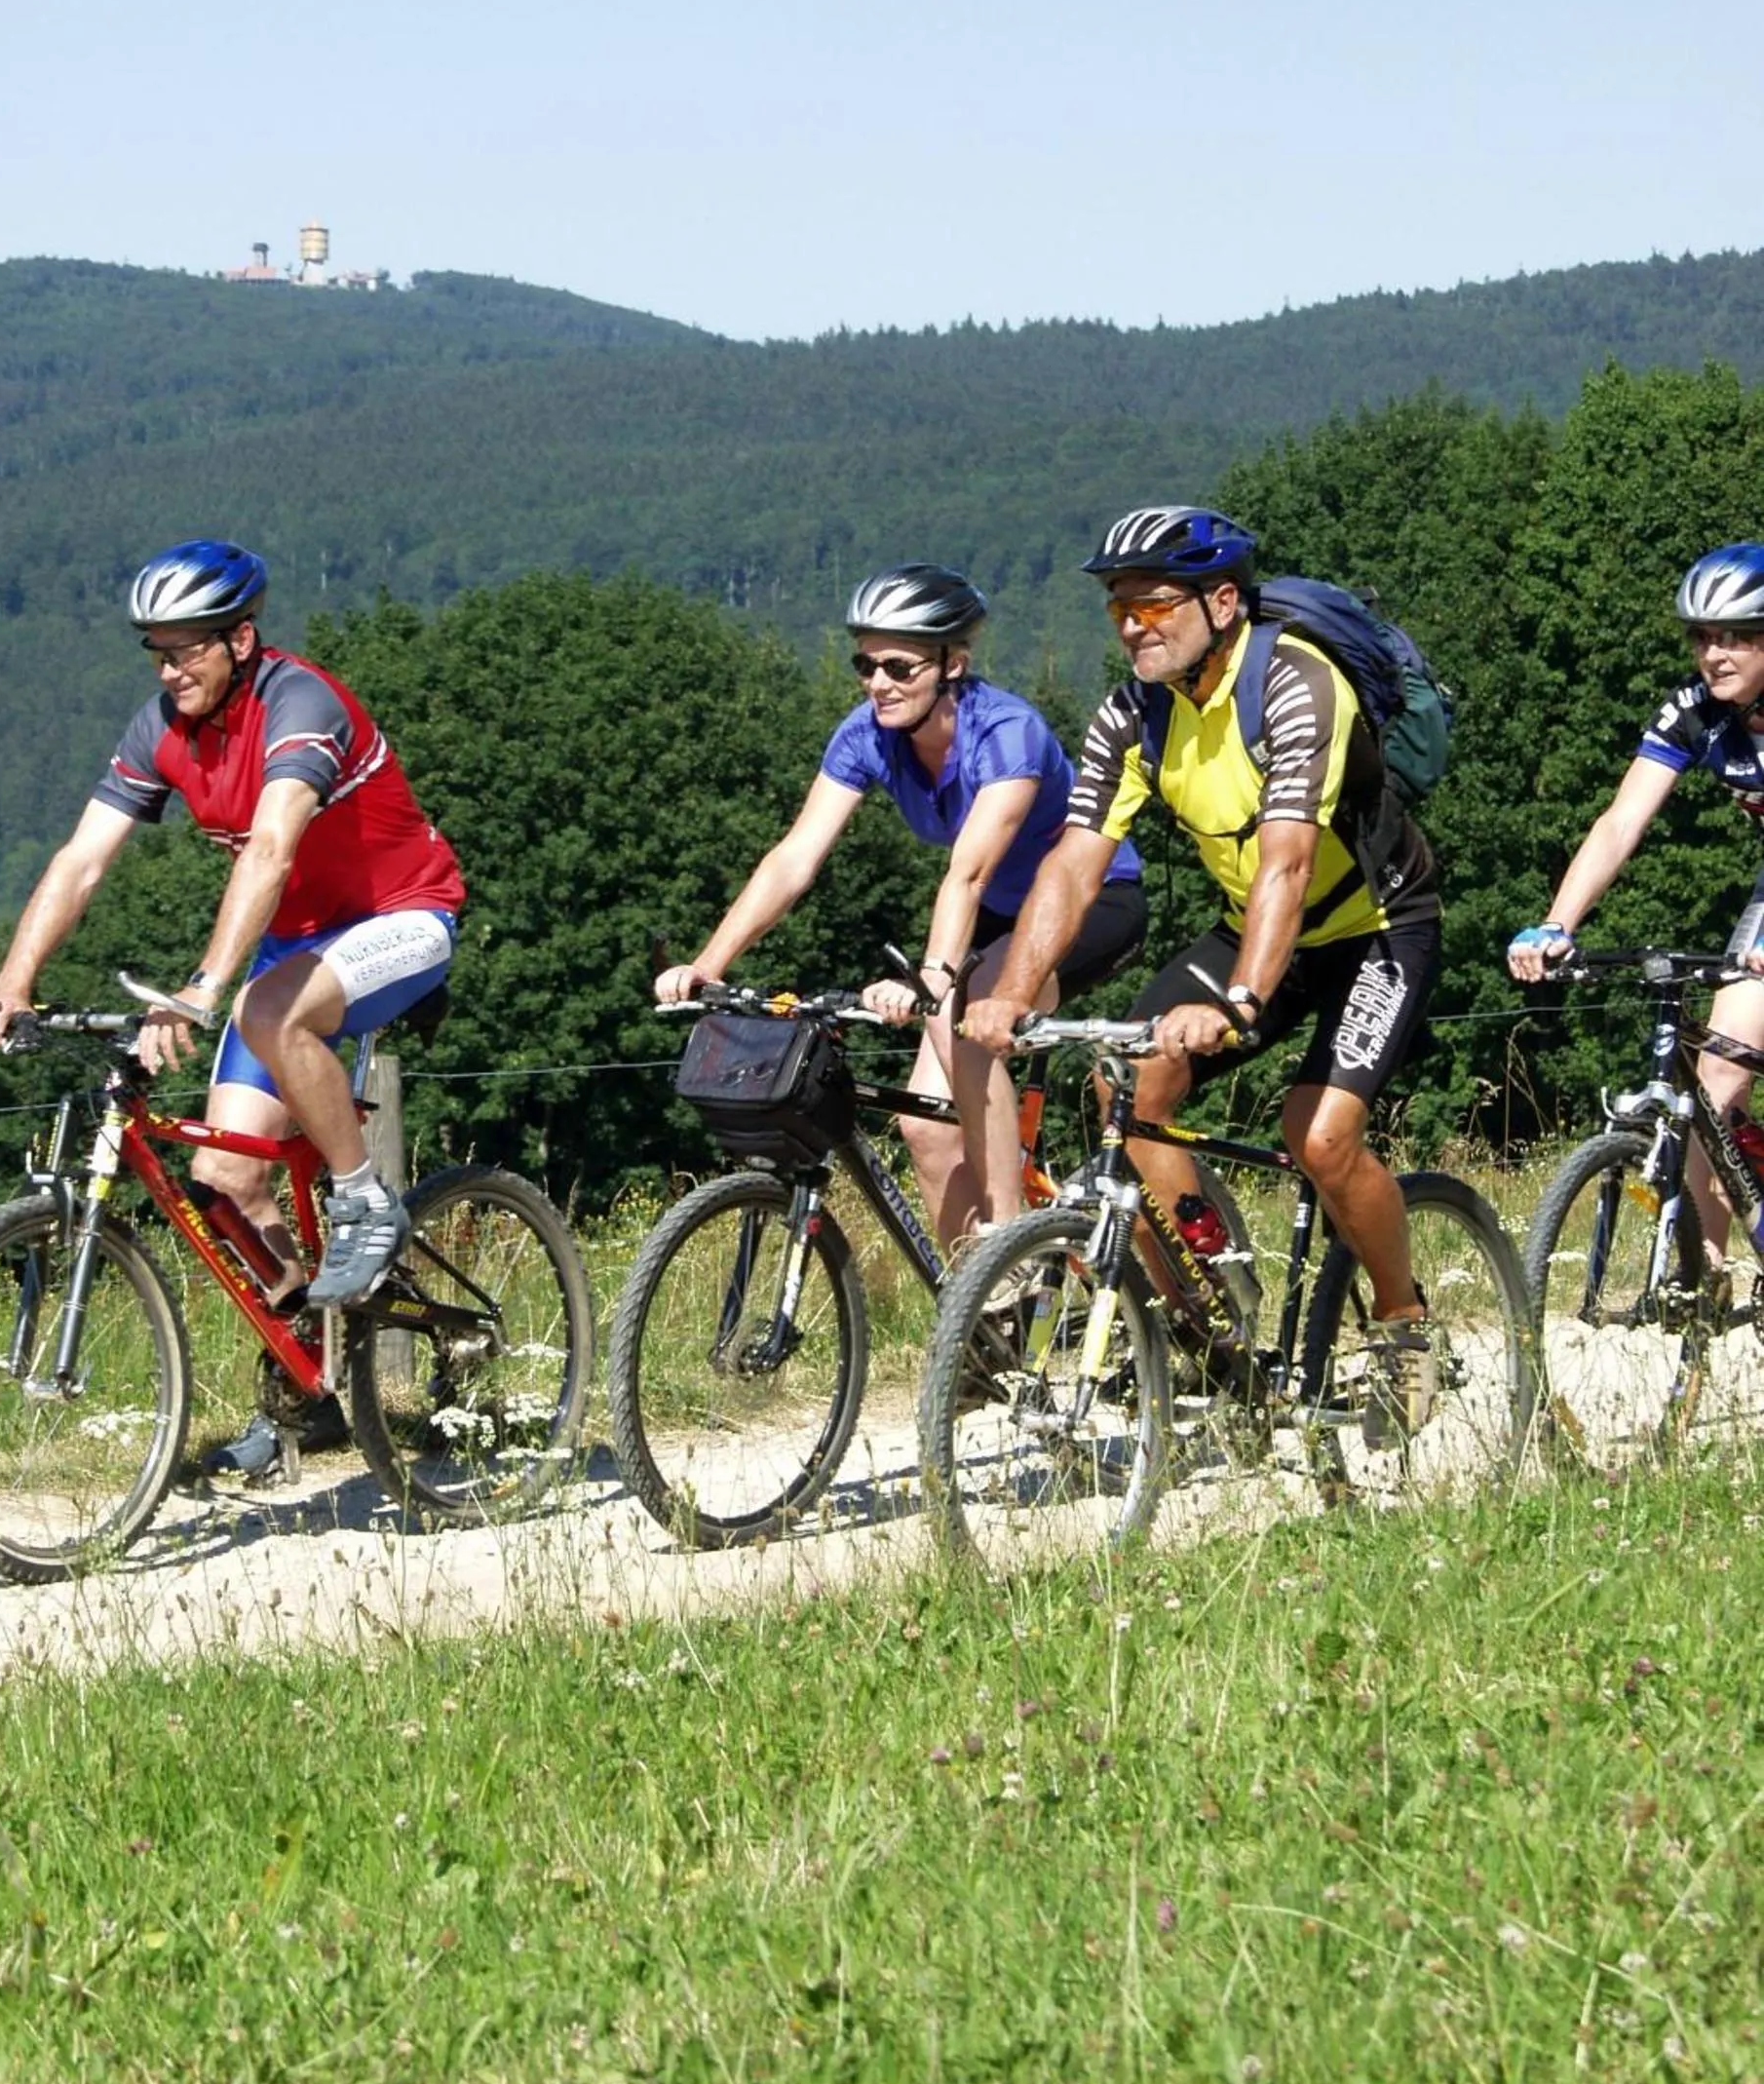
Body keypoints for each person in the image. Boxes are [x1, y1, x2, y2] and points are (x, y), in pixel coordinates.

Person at [0, 539, 464, 1471]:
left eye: (187, 648)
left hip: (402, 915)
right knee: (227, 1178)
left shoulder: (300, 704)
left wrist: (201, 990)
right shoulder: (162, 728)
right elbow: (82, 859)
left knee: (270, 1012)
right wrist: (14, 978)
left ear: (241, 638)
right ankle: (313, 1381)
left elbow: (270, 850)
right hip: (293, 944)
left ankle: (365, 1200)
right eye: (156, 650)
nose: (169, 669)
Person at [963, 505, 1444, 1434]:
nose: (1132, 627)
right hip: (1250, 925)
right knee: (1129, 1091)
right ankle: (1216, 1319)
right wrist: (1011, 992)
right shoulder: (1133, 712)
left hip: (1376, 926)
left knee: (1320, 1137)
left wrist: (1242, 1001)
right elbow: (1074, 864)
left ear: (1223, 603)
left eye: (1152, 607)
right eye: (1119, 610)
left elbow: (1287, 863)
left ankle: (1403, 1322)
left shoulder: (1297, 684)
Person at [654, 564, 1145, 1249]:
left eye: (897, 666)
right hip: (998, 917)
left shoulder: (1008, 732)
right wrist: (709, 962)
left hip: (1088, 901)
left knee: (959, 1011)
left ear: (952, 665)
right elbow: (795, 858)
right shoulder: (867, 734)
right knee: (925, 1127)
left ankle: (1014, 1244)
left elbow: (968, 874)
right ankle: (981, 1309)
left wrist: (932, 976)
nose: (877, 682)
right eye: (865, 664)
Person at [1508, 542, 1764, 1268]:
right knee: (1715, 1082)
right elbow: (1622, 822)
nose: (1713, 653)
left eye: (1735, 635)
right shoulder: (1696, 711)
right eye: (1701, 636)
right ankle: (1701, 1286)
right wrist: (1556, 923)